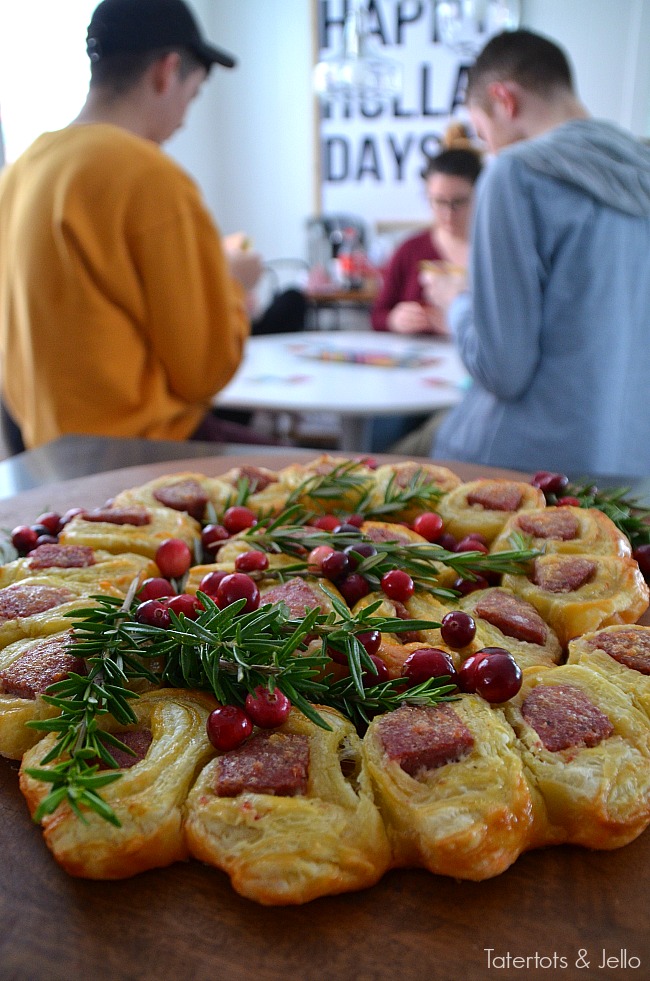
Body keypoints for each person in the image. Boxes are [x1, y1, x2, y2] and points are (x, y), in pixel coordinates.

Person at [0, 0, 271, 453]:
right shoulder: (149, 175)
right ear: (167, 72)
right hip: (141, 454)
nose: (185, 116)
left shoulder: (22, 171)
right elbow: (205, 373)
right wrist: (233, 283)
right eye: (194, 93)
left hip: (49, 453)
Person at [426, 29, 650, 477]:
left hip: (526, 467)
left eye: (482, 131)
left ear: (504, 100)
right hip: (633, 471)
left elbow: (503, 369)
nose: (488, 147)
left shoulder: (514, 174)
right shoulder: (640, 172)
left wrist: (457, 302)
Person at [370, 124, 483, 336]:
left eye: (459, 202)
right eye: (439, 202)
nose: (449, 213)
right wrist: (394, 320)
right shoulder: (410, 250)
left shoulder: (496, 251)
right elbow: (378, 314)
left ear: (480, 195)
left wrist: (458, 324)